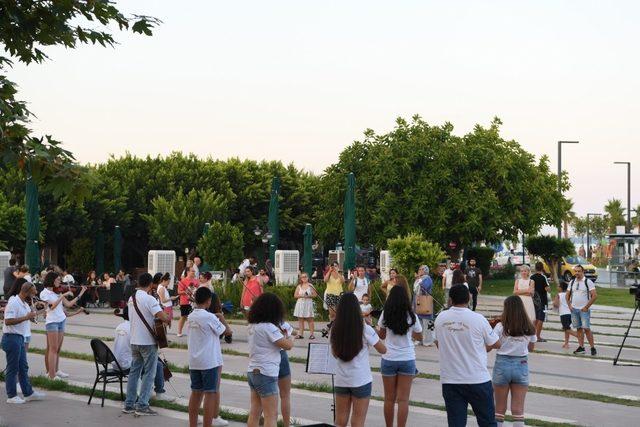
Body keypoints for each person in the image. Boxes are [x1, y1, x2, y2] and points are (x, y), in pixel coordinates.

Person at [434, 284, 500, 427]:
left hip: (451, 380)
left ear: (450, 299)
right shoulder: (478, 318)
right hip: (477, 378)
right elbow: (496, 343)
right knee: (487, 422)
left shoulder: (440, 318)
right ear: (469, 298)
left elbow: (439, 344)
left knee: (456, 423)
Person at [331, 293, 387, 427]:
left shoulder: (335, 328)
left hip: (341, 379)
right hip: (361, 379)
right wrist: (372, 328)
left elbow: (334, 353)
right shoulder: (364, 328)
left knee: (340, 420)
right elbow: (383, 350)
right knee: (358, 421)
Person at [123, 273, 170, 416]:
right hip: (147, 342)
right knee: (149, 374)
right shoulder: (149, 299)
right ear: (150, 284)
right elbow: (162, 316)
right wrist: (168, 318)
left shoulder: (132, 298)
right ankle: (142, 405)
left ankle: (129, 404)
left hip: (134, 341)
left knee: (134, 373)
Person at [246, 293, 294, 427]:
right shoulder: (269, 327)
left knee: (254, 412)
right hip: (266, 374)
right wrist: (290, 338)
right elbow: (287, 346)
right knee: (271, 415)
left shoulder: (252, 326)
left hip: (252, 372)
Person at [378, 286, 422, 427]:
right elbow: (419, 335)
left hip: (389, 357)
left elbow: (382, 335)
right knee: (403, 400)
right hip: (407, 358)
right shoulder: (411, 314)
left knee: (389, 399)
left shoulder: (386, 313)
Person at [187, 287, 231, 427]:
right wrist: (222, 318)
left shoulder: (191, 316)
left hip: (194, 361)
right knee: (210, 394)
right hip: (209, 362)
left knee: (195, 394)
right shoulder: (209, 317)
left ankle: (192, 424)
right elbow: (228, 332)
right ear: (208, 301)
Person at [112, 307, 174, 402]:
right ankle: (159, 393)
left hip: (116, 363)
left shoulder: (119, 327)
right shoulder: (134, 329)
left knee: (151, 361)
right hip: (128, 364)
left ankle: (145, 390)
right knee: (158, 365)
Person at [492, 296, 537, 427]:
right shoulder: (529, 326)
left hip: (502, 365)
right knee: (518, 411)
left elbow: (494, 344)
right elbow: (531, 348)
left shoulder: (501, 326)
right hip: (521, 365)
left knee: (499, 410)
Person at [2, 281, 46, 403]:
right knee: (13, 368)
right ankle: (11, 396)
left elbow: (29, 317)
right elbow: (8, 321)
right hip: (11, 338)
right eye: (33, 293)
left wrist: (40, 312)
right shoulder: (13, 302)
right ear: (26, 292)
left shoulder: (24, 304)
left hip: (20, 338)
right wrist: (26, 317)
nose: (35, 295)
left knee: (23, 367)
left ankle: (28, 393)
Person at [40, 271, 87, 379]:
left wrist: (81, 294)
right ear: (52, 280)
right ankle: (51, 375)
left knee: (58, 349)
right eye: (57, 279)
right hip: (52, 322)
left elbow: (69, 304)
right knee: (53, 348)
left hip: (61, 320)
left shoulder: (57, 292)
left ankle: (56, 371)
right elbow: (51, 306)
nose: (59, 282)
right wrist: (63, 295)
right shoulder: (44, 293)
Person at [566, 265, 598, 355]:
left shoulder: (588, 282)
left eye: (579, 271)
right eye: (575, 271)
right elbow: (567, 295)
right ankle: (581, 347)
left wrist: (586, 307)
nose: (577, 273)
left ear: (583, 272)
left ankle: (592, 348)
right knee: (578, 328)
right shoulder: (572, 282)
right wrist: (569, 305)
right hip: (574, 309)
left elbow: (594, 296)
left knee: (586, 328)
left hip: (584, 310)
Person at [412, 267, 435, 346]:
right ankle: (419, 340)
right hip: (418, 302)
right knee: (419, 322)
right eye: (419, 269)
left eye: (421, 269)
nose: (419, 271)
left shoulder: (427, 279)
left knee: (427, 323)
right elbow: (415, 291)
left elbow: (424, 288)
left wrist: (419, 279)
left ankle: (428, 341)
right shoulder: (419, 279)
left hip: (425, 302)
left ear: (425, 271)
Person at [278, 321, 294, 427]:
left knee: (259, 400)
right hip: (279, 355)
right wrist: (291, 339)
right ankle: (286, 424)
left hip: (258, 363)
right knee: (285, 395)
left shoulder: (254, 324)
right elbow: (288, 345)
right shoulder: (275, 324)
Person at [530, 262, 550, 342]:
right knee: (541, 318)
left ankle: (532, 335)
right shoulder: (543, 277)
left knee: (534, 318)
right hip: (542, 300)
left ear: (535, 268)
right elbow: (547, 289)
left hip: (533, 300)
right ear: (542, 268)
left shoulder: (531, 277)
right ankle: (537, 336)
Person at [553, 282, 577, 348]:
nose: (557, 287)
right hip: (570, 313)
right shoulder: (569, 294)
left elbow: (556, 305)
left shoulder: (558, 295)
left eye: (558, 286)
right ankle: (566, 343)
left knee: (566, 328)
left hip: (563, 314)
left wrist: (554, 302)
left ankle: (578, 335)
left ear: (560, 288)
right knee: (567, 328)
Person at [293, 272, 316, 339]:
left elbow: (315, 295)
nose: (304, 278)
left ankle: (312, 334)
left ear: (308, 277)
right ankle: (301, 334)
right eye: (303, 277)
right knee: (300, 319)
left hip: (308, 304)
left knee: (310, 319)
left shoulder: (310, 285)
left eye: (305, 276)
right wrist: (302, 295)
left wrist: (308, 296)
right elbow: (295, 295)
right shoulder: (299, 286)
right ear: (301, 279)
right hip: (300, 303)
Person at [177, 266, 198, 337]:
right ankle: (179, 332)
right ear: (188, 272)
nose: (194, 272)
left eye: (194, 271)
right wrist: (186, 291)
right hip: (184, 301)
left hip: (193, 302)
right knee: (183, 316)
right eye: (192, 271)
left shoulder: (196, 280)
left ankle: (193, 332)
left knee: (193, 317)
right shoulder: (183, 281)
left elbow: (198, 289)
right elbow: (179, 292)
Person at [323, 261, 344, 327]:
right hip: (330, 295)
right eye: (333, 266)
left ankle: (338, 326)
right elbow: (325, 280)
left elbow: (343, 281)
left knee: (338, 313)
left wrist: (337, 272)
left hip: (339, 295)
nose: (334, 267)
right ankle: (332, 326)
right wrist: (330, 271)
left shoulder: (340, 274)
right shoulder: (328, 274)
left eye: (335, 266)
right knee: (332, 313)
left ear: (338, 267)